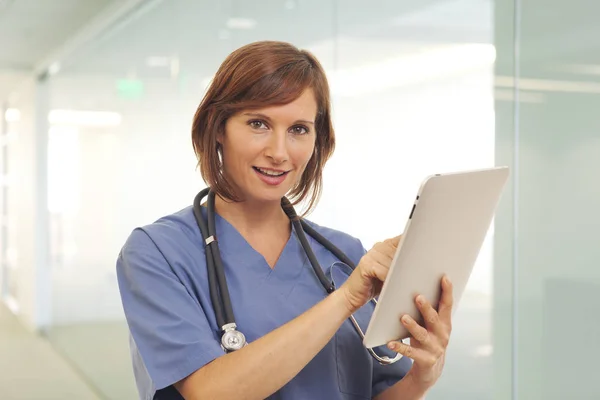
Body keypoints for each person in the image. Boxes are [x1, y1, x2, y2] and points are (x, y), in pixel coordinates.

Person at [116, 40, 454, 400]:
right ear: (218, 128)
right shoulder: (157, 253)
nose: (279, 152)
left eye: (298, 129)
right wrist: (344, 299)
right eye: (258, 123)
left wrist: (421, 377)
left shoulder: (344, 254)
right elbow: (208, 391)